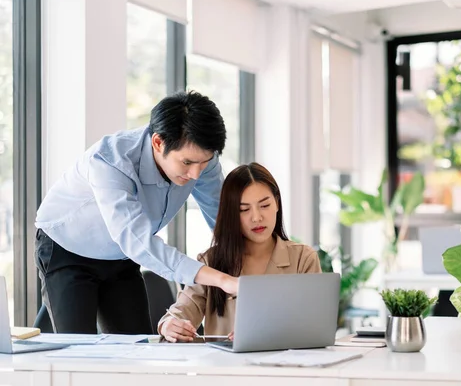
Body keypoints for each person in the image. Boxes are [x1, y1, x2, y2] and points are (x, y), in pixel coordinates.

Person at [34, 91, 238, 335]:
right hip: (67, 248)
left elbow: (224, 220)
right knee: (79, 350)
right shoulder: (111, 161)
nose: (196, 174)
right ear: (158, 142)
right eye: (186, 163)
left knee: (136, 346)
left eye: (203, 163)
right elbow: (139, 242)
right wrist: (222, 280)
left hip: (120, 257)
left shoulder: (202, 158)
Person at [158, 162, 321, 343]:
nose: (257, 217)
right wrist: (169, 325)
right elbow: (182, 311)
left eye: (265, 205)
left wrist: (268, 333)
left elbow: (314, 326)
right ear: (232, 214)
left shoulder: (303, 259)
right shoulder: (211, 261)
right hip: (226, 369)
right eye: (244, 210)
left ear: (277, 203)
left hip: (284, 369)